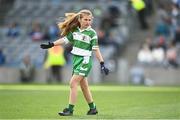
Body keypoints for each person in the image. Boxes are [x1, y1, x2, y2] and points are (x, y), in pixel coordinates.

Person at [40, 9, 109, 116]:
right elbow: (65, 40)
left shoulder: (92, 33)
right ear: (80, 20)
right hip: (76, 60)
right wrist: (52, 44)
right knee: (84, 86)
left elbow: (96, 49)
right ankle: (93, 108)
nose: (88, 22)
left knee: (73, 83)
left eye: (90, 20)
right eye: (85, 19)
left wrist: (102, 63)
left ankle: (70, 110)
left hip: (85, 61)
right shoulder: (75, 31)